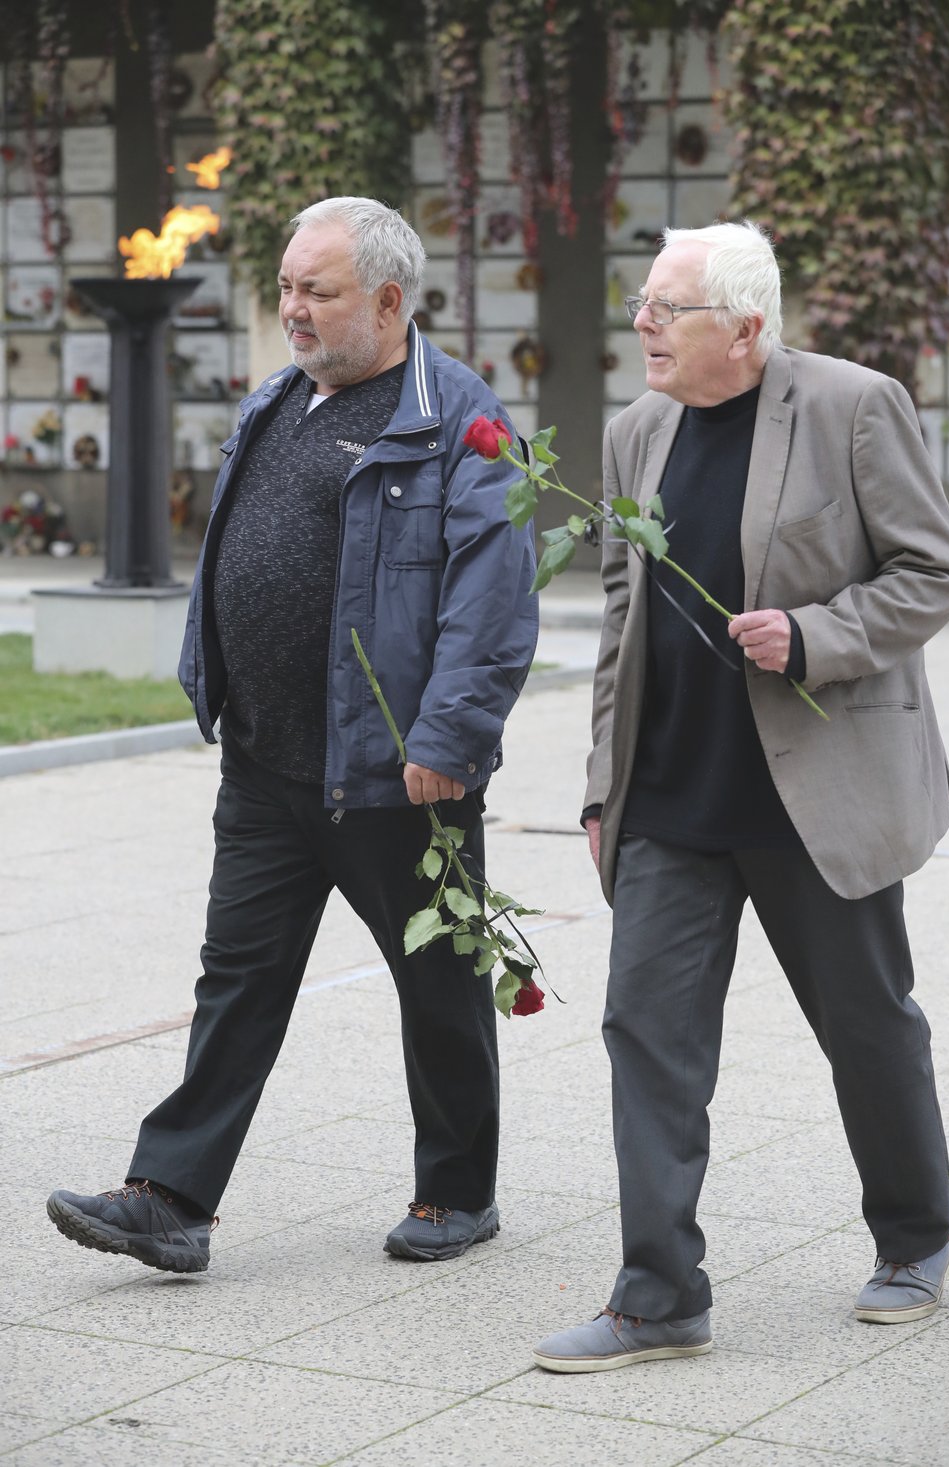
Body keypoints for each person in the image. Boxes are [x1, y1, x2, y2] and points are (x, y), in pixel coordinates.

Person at [47, 196, 538, 1273]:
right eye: (285, 288)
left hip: (396, 772)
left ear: (389, 299)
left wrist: (449, 736)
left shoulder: (460, 419)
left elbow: (493, 600)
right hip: (267, 763)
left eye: (317, 292)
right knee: (238, 978)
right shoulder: (281, 399)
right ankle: (171, 1197)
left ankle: (457, 1194)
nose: (293, 311)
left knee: (441, 985)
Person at [533, 220, 949, 1373]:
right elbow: (623, 623)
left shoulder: (852, 405)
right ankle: (659, 1294)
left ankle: (915, 1239)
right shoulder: (637, 433)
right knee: (648, 1037)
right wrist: (599, 793)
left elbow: (937, 572)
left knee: (868, 1027)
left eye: (665, 310)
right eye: (642, 304)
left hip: (814, 793)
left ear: (744, 326)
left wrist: (816, 634)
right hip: (674, 797)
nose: (642, 326)